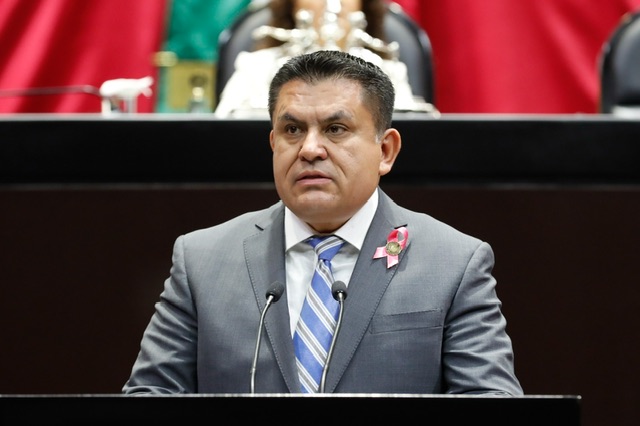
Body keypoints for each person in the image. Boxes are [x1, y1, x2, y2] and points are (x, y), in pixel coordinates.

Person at [123, 50, 523, 395]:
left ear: (385, 150)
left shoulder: (453, 263)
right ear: (273, 144)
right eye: (292, 130)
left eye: (335, 129)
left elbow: (490, 403)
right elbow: (149, 398)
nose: (310, 149)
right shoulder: (201, 260)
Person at [213, 0, 432, 118]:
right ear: (292, 5)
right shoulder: (256, 68)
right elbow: (224, 137)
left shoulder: (387, 70)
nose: (332, 4)